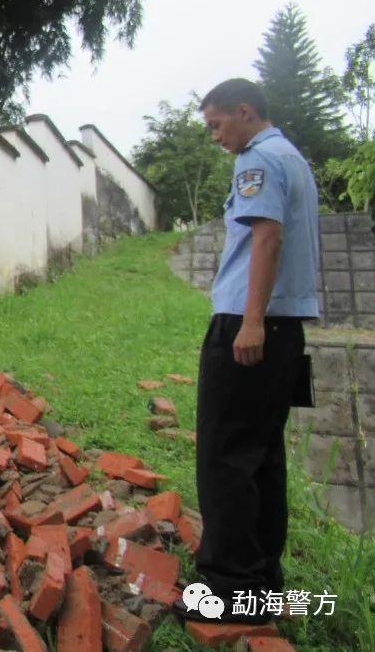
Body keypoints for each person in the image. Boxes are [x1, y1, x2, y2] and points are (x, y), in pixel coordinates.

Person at [174, 78, 319, 626]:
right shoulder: (293, 157)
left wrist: (251, 322)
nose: (214, 137)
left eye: (216, 125)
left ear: (244, 112)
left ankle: (229, 591)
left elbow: (267, 237)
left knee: (224, 455)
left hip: (249, 323)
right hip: (285, 328)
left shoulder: (258, 159)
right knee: (260, 456)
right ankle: (261, 579)